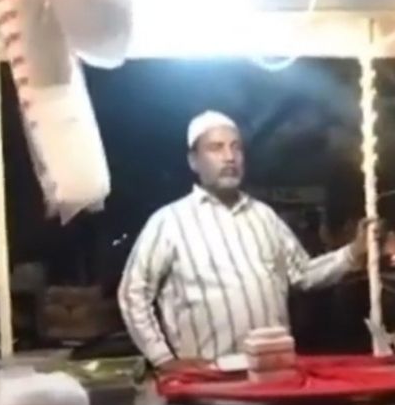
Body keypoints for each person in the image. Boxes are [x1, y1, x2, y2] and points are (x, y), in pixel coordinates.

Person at [118, 110, 374, 370]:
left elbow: (302, 274)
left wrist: (353, 252)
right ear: (194, 161)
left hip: (273, 373)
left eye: (236, 147)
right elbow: (133, 294)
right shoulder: (169, 221)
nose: (229, 157)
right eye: (216, 148)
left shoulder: (264, 216)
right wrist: (163, 359)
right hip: (207, 378)